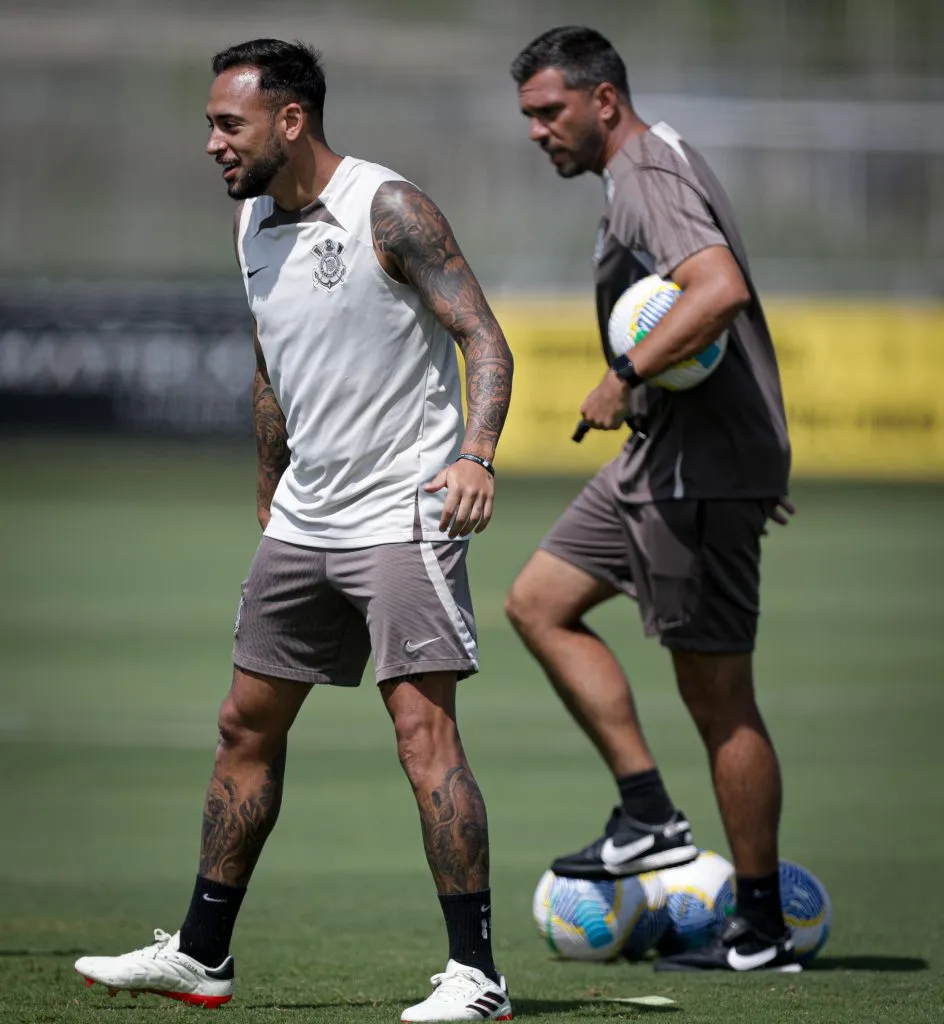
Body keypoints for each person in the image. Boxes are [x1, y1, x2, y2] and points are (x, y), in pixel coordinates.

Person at [74, 38, 515, 1020]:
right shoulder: (249, 224)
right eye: (207, 125)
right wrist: (271, 482)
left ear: (290, 120)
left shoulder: (388, 207)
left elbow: (482, 336)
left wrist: (474, 456)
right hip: (306, 517)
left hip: (404, 507)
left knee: (422, 733)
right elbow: (272, 361)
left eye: (226, 124)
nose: (210, 144)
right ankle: (202, 954)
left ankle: (476, 977)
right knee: (244, 725)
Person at [505, 26, 798, 973]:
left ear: (602, 100)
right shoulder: (646, 163)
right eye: (528, 116)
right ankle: (647, 814)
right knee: (537, 602)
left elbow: (717, 290)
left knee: (721, 703)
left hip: (700, 475)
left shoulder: (643, 175)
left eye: (550, 111)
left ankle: (758, 930)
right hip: (658, 458)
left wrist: (623, 368)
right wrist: (644, 386)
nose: (538, 131)